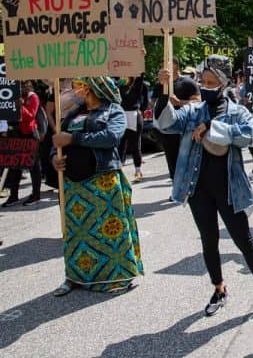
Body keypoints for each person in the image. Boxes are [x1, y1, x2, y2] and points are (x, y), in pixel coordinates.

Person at [155, 55, 253, 320]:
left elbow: (247, 136)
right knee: (209, 241)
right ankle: (219, 289)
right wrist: (164, 94)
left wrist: (213, 127)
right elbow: (166, 123)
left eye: (211, 82)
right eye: (202, 81)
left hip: (229, 188)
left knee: (243, 240)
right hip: (198, 189)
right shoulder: (193, 110)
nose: (205, 86)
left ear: (223, 83)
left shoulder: (237, 111)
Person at [50, 77, 143, 296]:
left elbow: (111, 137)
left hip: (103, 180)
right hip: (74, 183)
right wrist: (55, 157)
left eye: (81, 86)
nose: (77, 90)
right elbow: (58, 141)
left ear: (94, 89)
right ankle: (75, 276)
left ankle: (116, 277)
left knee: (108, 231)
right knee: (76, 232)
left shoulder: (114, 111)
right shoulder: (73, 113)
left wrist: (73, 139)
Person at [152, 57, 201, 181]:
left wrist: (180, 103)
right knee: (171, 158)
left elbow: (198, 101)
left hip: (185, 126)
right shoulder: (159, 85)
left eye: (167, 63)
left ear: (176, 66)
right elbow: (153, 103)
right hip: (167, 127)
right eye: (162, 64)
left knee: (186, 157)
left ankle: (189, 187)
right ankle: (176, 187)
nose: (164, 66)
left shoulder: (187, 82)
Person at [2, 80, 43, 207]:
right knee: (15, 166)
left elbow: (31, 116)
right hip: (17, 134)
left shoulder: (33, 97)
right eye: (21, 85)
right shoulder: (14, 97)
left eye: (25, 85)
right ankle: (13, 196)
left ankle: (36, 195)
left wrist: (21, 106)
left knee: (34, 166)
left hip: (30, 134)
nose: (23, 87)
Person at [118, 75, 148, 183]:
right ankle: (119, 170)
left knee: (135, 145)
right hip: (121, 116)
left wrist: (142, 110)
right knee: (120, 144)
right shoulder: (119, 85)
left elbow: (145, 100)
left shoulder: (139, 85)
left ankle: (138, 170)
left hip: (135, 115)